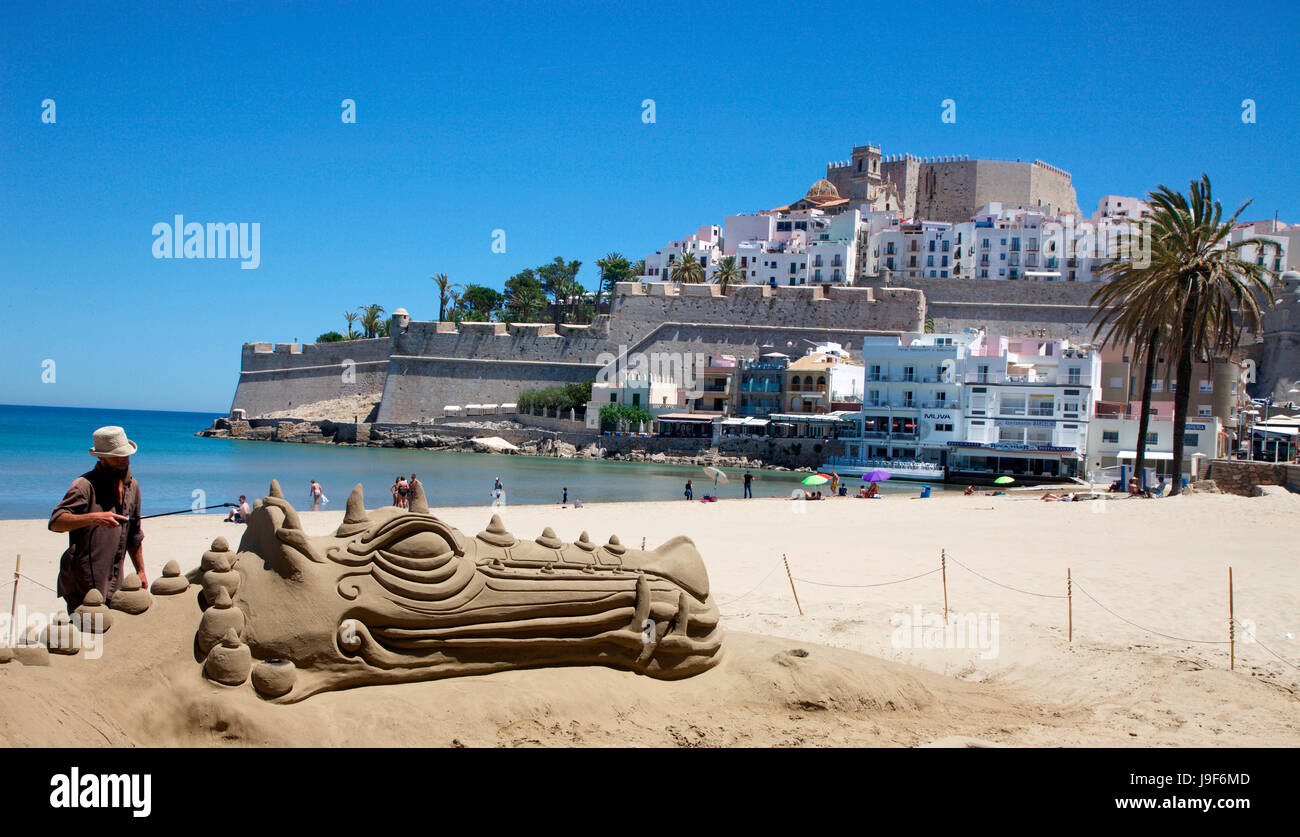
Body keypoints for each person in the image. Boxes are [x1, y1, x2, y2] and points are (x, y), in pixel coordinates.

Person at [49, 426, 147, 614]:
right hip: (82, 580)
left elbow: (134, 535)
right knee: (86, 635)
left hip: (115, 578)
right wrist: (94, 518)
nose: (123, 460)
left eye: (126, 455)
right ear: (101, 458)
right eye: (116, 457)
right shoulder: (84, 486)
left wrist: (141, 571)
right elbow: (56, 522)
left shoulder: (133, 486)